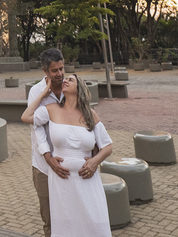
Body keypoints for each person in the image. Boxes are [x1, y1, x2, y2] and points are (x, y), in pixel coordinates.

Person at [23, 72, 113, 237]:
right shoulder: (52, 110)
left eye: (70, 80)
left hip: (87, 179)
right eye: (66, 79)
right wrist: (44, 93)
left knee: (93, 222)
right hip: (61, 181)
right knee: (66, 224)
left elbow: (107, 146)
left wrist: (95, 162)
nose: (65, 80)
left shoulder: (90, 115)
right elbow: (26, 116)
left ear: (79, 88)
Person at [27, 48, 66, 237]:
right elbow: (36, 128)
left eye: (61, 69)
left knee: (69, 213)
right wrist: (48, 156)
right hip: (43, 165)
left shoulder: (70, 89)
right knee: (49, 218)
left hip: (67, 162)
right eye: (54, 71)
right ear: (45, 71)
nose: (59, 74)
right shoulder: (36, 92)